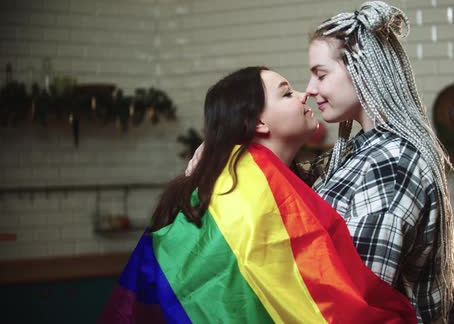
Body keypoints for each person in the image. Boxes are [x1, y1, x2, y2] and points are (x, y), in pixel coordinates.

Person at [100, 66, 416, 324]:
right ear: (259, 122)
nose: (304, 93)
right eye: (287, 92)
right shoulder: (240, 184)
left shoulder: (277, 177)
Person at [302, 1, 454, 324]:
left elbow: (357, 301)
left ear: (361, 69)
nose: (310, 89)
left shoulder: (392, 163)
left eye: (321, 74)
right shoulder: (363, 148)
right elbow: (296, 187)